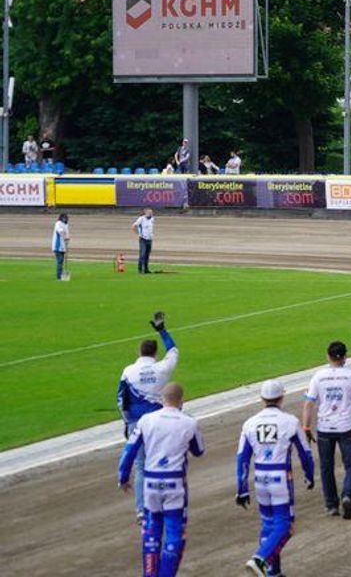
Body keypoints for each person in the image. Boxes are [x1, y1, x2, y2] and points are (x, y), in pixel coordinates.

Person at [118, 383, 205, 577]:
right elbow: (199, 451)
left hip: (151, 484)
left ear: (161, 399)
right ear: (181, 401)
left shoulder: (146, 420)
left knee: (151, 531)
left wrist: (123, 477)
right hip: (175, 484)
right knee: (175, 532)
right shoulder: (189, 422)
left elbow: (129, 451)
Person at [235, 379, 315, 577]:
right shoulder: (290, 421)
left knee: (268, 524)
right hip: (280, 477)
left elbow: (242, 458)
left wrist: (242, 488)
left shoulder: (250, 423)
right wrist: (309, 475)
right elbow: (305, 453)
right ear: (282, 397)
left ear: (262, 399)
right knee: (285, 525)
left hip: (260, 477)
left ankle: (273, 572)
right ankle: (260, 559)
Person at [301, 341, 351, 519]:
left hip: (325, 428)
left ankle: (331, 505)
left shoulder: (318, 376)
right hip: (346, 427)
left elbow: (308, 403)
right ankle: (347, 495)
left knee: (326, 467)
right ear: (345, 357)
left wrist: (306, 427)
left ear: (327, 356)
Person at [117, 313, 179, 524]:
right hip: (160, 423)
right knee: (165, 461)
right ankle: (166, 503)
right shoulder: (161, 368)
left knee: (141, 466)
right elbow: (173, 351)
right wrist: (162, 330)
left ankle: (142, 511)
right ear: (155, 353)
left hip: (137, 423)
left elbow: (120, 400)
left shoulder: (128, 371)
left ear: (139, 352)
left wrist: (127, 422)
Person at [133, 207, 156, 274]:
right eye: (149, 212)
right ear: (145, 212)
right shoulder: (141, 219)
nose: (151, 213)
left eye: (151, 212)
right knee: (142, 254)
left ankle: (146, 269)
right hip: (143, 239)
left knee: (147, 255)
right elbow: (133, 226)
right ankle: (140, 269)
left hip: (150, 239)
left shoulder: (152, 219)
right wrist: (139, 234)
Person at [51, 213, 69, 280]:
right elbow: (60, 231)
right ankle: (59, 276)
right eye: (65, 218)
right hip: (57, 246)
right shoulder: (58, 223)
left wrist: (67, 238)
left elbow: (66, 233)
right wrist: (65, 237)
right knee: (60, 260)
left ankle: (61, 274)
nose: (66, 219)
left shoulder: (66, 224)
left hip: (63, 246)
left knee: (61, 261)